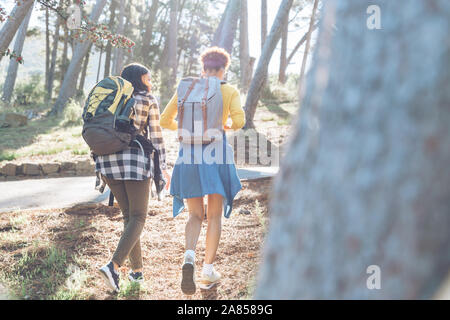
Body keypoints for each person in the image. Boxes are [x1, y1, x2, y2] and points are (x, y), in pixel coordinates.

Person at [160, 47, 245, 294]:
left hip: (187, 157)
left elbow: (165, 120)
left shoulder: (186, 88)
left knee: (195, 215)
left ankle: (189, 258)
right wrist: (224, 124)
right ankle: (207, 272)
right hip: (215, 156)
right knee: (214, 216)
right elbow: (239, 122)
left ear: (203, 67)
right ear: (223, 69)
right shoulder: (228, 90)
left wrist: (188, 128)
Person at [97, 63, 170, 293]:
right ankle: (114, 265)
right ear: (140, 79)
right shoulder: (147, 99)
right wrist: (163, 167)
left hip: (106, 164)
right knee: (139, 217)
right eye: (148, 78)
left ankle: (136, 273)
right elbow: (156, 137)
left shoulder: (111, 98)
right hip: (134, 163)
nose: (150, 82)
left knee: (130, 218)